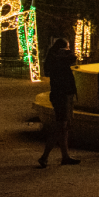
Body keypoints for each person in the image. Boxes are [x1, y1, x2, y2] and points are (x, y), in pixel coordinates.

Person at [38, 38, 80, 167]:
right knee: (60, 127)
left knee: (63, 128)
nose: (68, 50)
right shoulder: (57, 61)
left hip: (61, 96)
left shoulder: (55, 61)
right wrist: (65, 53)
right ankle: (44, 156)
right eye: (66, 48)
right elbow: (73, 58)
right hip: (62, 97)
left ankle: (65, 156)